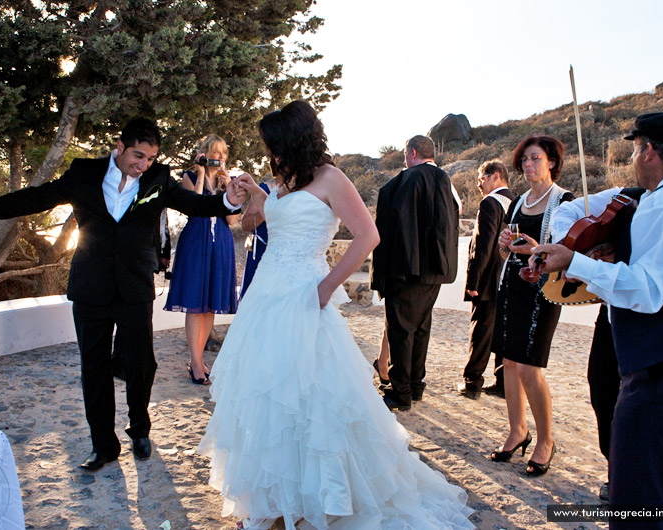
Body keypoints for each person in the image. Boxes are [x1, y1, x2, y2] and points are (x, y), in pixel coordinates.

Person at [196, 100, 473, 530]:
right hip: (267, 296)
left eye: (273, 142)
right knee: (267, 395)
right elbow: (251, 226)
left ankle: (316, 500)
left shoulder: (332, 178)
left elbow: (369, 236)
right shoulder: (282, 180)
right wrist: (253, 194)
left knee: (311, 398)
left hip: (306, 294)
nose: (269, 150)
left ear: (294, 138)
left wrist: (329, 286)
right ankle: (274, 500)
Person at [0, 118, 249, 471]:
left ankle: (139, 429)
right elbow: (36, 198)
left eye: (151, 158)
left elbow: (195, 205)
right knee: (93, 367)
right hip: (90, 287)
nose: (143, 165)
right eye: (138, 155)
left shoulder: (157, 179)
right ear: (119, 148)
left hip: (135, 286)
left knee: (140, 364)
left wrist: (229, 200)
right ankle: (103, 445)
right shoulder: (84, 173)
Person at [532, 112, 663, 529]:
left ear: (651, 151)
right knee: (650, 484)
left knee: (639, 492)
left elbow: (647, 292)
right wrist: (584, 262)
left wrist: (577, 262)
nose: (632, 158)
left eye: (634, 148)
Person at [490, 135, 574, 476]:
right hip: (512, 284)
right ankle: (517, 431)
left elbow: (568, 252)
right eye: (524, 159)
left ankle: (546, 439)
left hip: (542, 290)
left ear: (551, 162)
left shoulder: (565, 202)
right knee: (509, 363)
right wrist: (503, 245)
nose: (528, 164)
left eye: (535, 158)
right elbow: (504, 252)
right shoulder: (517, 201)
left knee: (529, 366)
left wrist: (535, 250)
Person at [370, 135, 460, 411]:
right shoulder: (447, 183)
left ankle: (401, 393)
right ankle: (416, 386)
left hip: (405, 271)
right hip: (436, 272)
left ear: (412, 153)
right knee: (421, 328)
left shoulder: (403, 182)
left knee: (401, 332)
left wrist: (384, 275)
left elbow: (392, 230)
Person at [163, 134, 239, 385]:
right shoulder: (189, 177)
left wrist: (228, 189)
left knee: (209, 307)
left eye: (223, 154)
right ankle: (195, 361)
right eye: (215, 153)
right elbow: (192, 206)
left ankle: (200, 359)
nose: (219, 158)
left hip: (221, 244)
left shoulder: (229, 181)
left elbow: (231, 221)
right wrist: (200, 174)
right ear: (204, 153)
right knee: (196, 304)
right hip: (196, 241)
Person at [458, 160, 516, 400]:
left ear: (495, 176)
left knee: (481, 329)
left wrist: (473, 281)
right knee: (503, 331)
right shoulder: (516, 202)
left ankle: (472, 382)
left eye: (482, 178)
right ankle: (503, 382)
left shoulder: (490, 202)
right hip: (508, 277)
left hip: (489, 277)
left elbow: (483, 245)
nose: (479, 183)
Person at [238, 178, 275, 299]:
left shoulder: (305, 189)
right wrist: (269, 209)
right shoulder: (263, 189)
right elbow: (245, 225)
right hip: (261, 252)